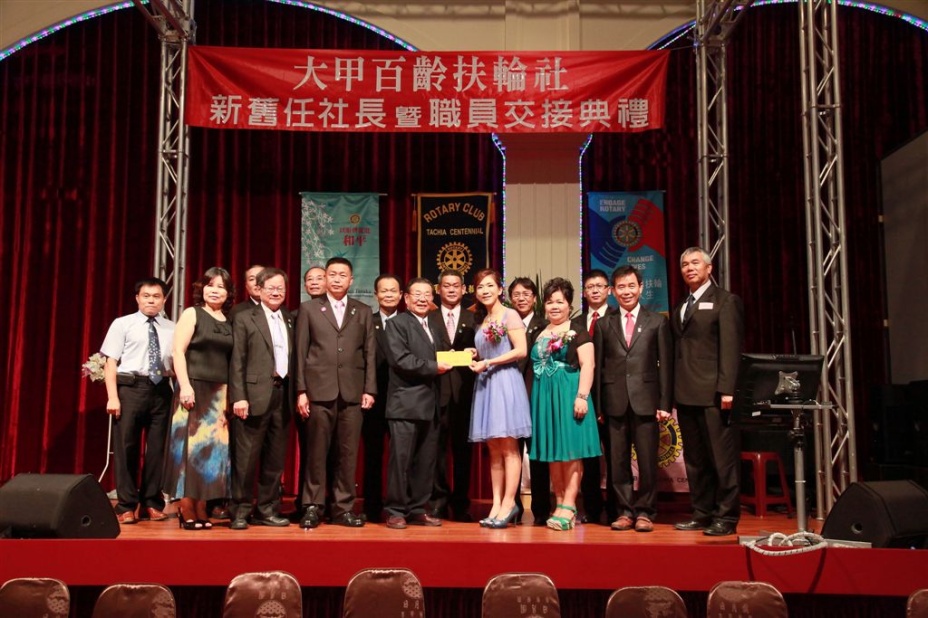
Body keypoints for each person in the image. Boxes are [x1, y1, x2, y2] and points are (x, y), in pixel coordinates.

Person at [295, 257, 376, 529]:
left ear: (351, 280)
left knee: (347, 454)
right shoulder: (308, 309)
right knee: (316, 453)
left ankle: (343, 509)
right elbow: (301, 353)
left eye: (343, 275)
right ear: (325, 278)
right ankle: (312, 506)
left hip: (353, 393)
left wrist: (369, 389)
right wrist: (301, 390)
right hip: (318, 391)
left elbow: (369, 353)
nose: (337, 279)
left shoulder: (363, 311)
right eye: (333, 274)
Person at [671, 247, 744, 537]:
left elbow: (731, 348)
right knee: (695, 460)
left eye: (695, 263)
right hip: (685, 393)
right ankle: (701, 513)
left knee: (721, 460)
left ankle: (726, 517)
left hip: (714, 394)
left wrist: (727, 390)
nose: (689, 268)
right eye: (684, 264)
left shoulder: (725, 301)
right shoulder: (681, 304)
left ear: (709, 268)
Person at [594, 266, 673, 533]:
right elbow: (599, 367)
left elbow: (666, 366)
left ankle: (646, 512)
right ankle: (624, 511)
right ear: (613, 291)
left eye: (631, 286)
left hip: (646, 401)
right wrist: (599, 405)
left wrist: (664, 403)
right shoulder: (604, 324)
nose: (626, 291)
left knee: (648, 461)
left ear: (641, 287)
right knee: (617, 461)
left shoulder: (657, 322)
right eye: (621, 287)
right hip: (614, 401)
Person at [163, 267, 235, 530]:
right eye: (210, 285)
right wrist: (184, 385)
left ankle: (202, 505)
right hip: (193, 387)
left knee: (212, 452)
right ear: (201, 288)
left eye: (221, 287)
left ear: (228, 293)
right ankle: (185, 506)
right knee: (189, 450)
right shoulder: (192, 313)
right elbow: (177, 352)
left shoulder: (229, 320)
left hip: (220, 393)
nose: (214, 290)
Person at [100, 277, 175, 524]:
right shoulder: (122, 324)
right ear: (137, 298)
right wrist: (113, 397)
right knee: (126, 448)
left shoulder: (172, 327)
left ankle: (152, 502)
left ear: (164, 300)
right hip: (131, 388)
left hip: (162, 390)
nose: (151, 300)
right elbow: (110, 362)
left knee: (157, 450)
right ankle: (126, 505)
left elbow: (176, 363)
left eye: (156, 296)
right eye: (146, 296)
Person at [528, 278, 600, 531]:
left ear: (569, 304)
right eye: (550, 302)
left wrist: (582, 396)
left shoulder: (578, 330)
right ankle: (559, 502)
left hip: (569, 393)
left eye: (560, 301)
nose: (554, 306)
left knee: (570, 452)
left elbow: (588, 365)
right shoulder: (539, 332)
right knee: (553, 454)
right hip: (544, 397)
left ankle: (569, 505)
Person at [382, 278, 453, 529]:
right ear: (407, 298)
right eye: (417, 294)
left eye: (427, 294)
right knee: (401, 461)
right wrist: (435, 367)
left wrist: (461, 356)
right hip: (405, 404)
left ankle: (417, 509)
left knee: (425, 461)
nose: (423, 299)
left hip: (430, 404)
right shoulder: (397, 324)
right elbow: (401, 360)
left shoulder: (433, 325)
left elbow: (439, 355)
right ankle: (395, 510)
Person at [228, 267, 293, 530]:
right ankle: (240, 511)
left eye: (280, 288)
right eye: (271, 288)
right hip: (253, 396)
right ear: (259, 289)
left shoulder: (289, 318)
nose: (276, 292)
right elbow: (237, 360)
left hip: (283, 394)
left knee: (275, 460)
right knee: (245, 459)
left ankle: (267, 510)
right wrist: (239, 397)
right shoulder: (245, 317)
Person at [469, 268, 532, 528]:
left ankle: (509, 503)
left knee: (509, 447)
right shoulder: (483, 319)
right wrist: (476, 354)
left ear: (499, 289)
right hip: (487, 384)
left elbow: (521, 350)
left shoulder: (510, 314)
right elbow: (487, 350)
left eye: (489, 285)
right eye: (480, 287)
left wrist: (489, 362)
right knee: (493, 449)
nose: (484, 291)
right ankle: (495, 504)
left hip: (505, 382)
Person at [430, 269, 477, 522]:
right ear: (439, 290)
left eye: (455, 285)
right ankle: (437, 501)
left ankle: (460, 503)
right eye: (446, 285)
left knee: (463, 452)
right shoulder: (428, 317)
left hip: (465, 394)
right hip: (435, 393)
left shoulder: (476, 318)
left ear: (463, 289)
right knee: (435, 452)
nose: (451, 289)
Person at [571, 269, 615, 525]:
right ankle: (591, 507)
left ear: (609, 290)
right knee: (587, 454)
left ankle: (617, 508)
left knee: (615, 455)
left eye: (600, 286)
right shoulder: (575, 323)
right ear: (584, 292)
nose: (595, 290)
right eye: (590, 287)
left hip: (611, 396)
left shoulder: (617, 317)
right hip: (582, 396)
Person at [508, 277, 551, 526]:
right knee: (511, 453)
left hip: (536, 397)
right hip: (509, 398)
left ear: (535, 298)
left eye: (526, 294)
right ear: (510, 298)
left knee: (538, 454)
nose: (521, 298)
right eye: (516, 294)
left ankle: (542, 509)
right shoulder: (503, 323)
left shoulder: (546, 326)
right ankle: (511, 507)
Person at [361, 273, 403, 522]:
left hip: (403, 398)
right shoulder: (368, 321)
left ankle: (402, 505)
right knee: (373, 454)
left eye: (393, 290)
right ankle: (372, 505)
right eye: (383, 291)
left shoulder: (409, 322)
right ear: (376, 295)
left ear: (401, 295)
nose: (388, 295)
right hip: (374, 398)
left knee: (402, 456)